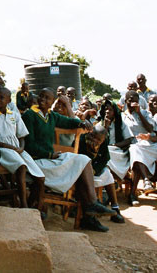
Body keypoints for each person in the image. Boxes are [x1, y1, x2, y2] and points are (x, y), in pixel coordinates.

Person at [22, 88, 115, 229]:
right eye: (41, 96)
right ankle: (90, 211)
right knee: (78, 169)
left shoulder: (51, 116)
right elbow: (29, 145)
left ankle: (92, 204)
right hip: (37, 160)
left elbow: (69, 122)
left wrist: (82, 123)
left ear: (52, 102)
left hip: (50, 159)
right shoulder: (30, 115)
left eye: (47, 98)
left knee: (83, 160)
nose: (42, 99)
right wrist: (48, 155)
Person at [0, 88, 45, 209]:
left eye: (2, 97)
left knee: (40, 177)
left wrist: (21, 148)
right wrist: (11, 147)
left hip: (17, 149)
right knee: (21, 167)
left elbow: (21, 135)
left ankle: (38, 205)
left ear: (8, 100)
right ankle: (24, 204)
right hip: (2, 149)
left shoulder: (14, 115)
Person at [77, 126, 126, 229]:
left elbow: (105, 158)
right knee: (84, 181)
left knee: (108, 173)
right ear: (90, 134)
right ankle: (89, 218)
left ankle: (115, 208)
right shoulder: (82, 140)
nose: (95, 140)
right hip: (82, 171)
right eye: (93, 136)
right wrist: (92, 151)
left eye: (99, 139)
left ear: (103, 139)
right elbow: (81, 160)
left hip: (94, 169)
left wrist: (95, 170)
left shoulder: (103, 142)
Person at [121, 90, 157, 206]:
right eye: (131, 101)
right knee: (135, 153)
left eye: (136, 101)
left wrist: (139, 113)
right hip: (134, 146)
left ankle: (134, 193)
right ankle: (143, 184)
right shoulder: (122, 116)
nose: (134, 103)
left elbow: (150, 129)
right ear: (125, 101)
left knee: (136, 153)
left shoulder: (145, 113)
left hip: (150, 145)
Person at [97, 100, 134, 182]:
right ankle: (111, 180)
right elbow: (98, 140)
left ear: (114, 112)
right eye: (106, 109)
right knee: (103, 154)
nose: (107, 111)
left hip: (118, 150)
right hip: (104, 149)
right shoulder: (100, 124)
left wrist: (115, 145)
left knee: (107, 152)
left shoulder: (121, 123)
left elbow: (128, 140)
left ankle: (114, 179)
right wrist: (105, 127)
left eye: (110, 110)